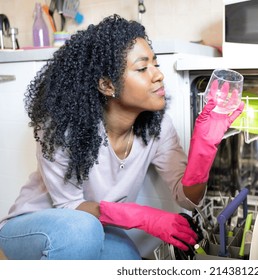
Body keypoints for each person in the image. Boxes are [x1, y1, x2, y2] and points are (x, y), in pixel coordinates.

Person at [0, 14, 243, 260]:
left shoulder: (158, 127)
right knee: (81, 230)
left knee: (129, 261)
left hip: (97, 227)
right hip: (33, 228)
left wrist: (204, 146)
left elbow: (188, 199)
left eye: (156, 64)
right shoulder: (63, 129)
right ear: (107, 85)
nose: (158, 75)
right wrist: (142, 217)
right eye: (142, 68)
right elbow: (70, 208)